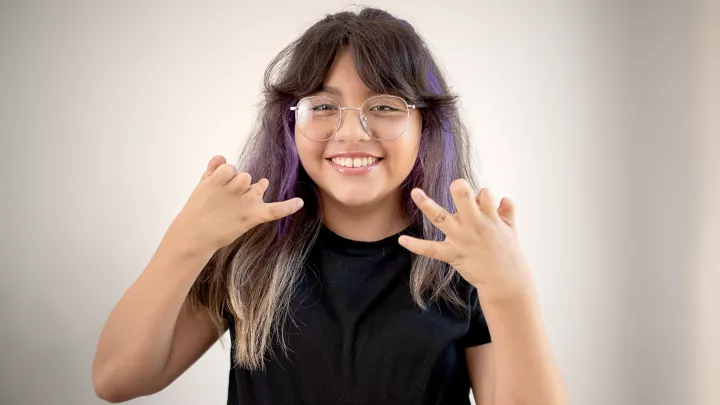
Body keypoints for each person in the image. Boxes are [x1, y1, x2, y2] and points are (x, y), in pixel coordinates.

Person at [92, 7, 567, 405]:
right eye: (323, 106)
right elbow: (117, 380)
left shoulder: (464, 263)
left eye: (384, 105)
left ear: (426, 125)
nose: (352, 132)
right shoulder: (250, 255)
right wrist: (186, 240)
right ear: (289, 124)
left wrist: (512, 292)